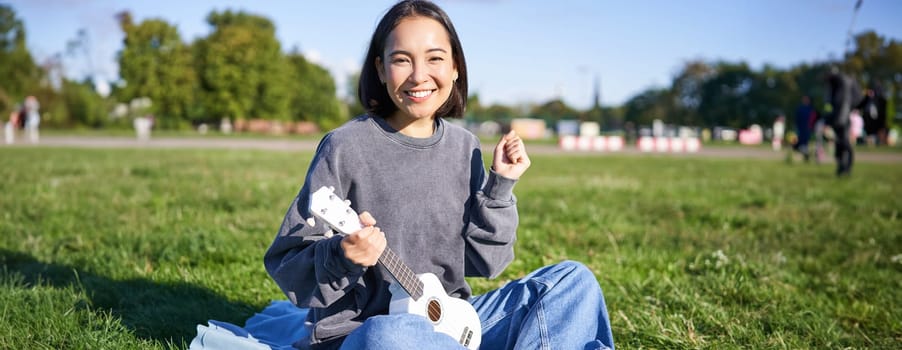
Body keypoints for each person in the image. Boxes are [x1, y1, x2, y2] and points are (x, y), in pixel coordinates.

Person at [263, 1, 615, 349]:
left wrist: (500, 187)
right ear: (381, 69)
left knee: (573, 282)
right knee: (391, 335)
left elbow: (488, 263)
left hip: (454, 322)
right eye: (401, 59)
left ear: (456, 67)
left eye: (434, 58)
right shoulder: (345, 146)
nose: (419, 75)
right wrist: (342, 255)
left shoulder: (465, 147)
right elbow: (289, 263)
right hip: (367, 333)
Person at [825, 67, 857, 177]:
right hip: (839, 118)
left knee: (844, 143)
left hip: (841, 118)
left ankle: (846, 168)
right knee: (839, 143)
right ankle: (841, 167)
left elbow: (844, 103)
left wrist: (839, 119)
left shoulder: (842, 83)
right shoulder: (836, 86)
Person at [793, 95, 816, 161]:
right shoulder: (800, 108)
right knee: (799, 143)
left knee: (805, 143)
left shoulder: (811, 109)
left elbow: (813, 119)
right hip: (800, 128)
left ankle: (806, 156)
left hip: (807, 128)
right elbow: (796, 118)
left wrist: (812, 127)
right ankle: (806, 154)